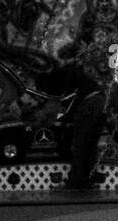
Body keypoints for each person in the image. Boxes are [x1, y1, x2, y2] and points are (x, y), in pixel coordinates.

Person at [36, 62, 107, 190]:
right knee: (90, 145)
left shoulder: (57, 81)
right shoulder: (71, 75)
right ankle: (87, 179)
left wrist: (59, 119)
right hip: (101, 102)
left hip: (90, 104)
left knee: (80, 144)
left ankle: (76, 181)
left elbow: (66, 105)